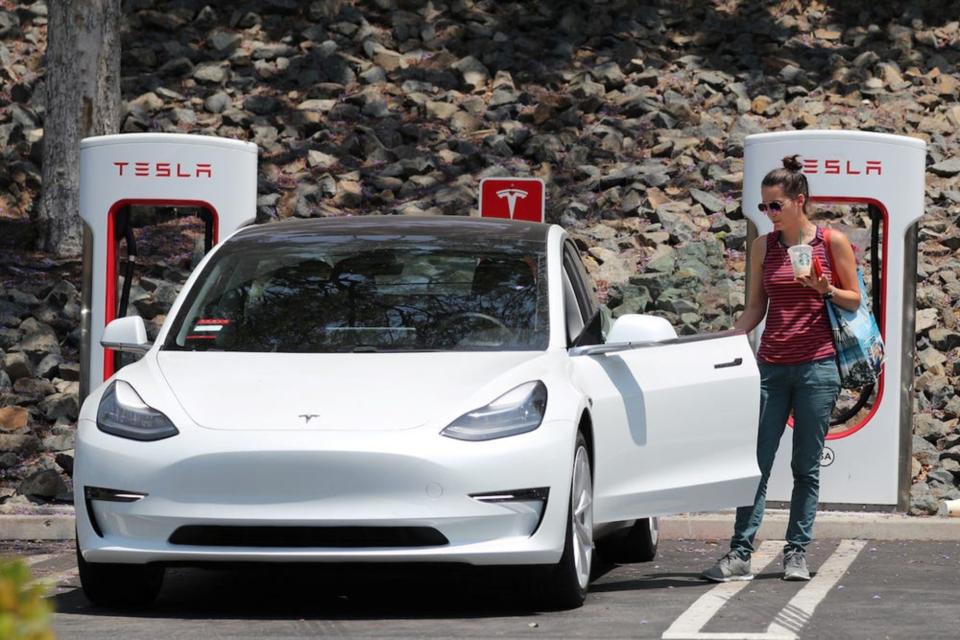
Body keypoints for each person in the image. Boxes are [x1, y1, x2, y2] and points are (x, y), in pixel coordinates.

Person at [702, 155, 861, 582]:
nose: (769, 214)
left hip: (817, 367)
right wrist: (729, 338)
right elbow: (757, 306)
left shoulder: (831, 241)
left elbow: (855, 300)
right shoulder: (763, 247)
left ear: (798, 202)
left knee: (805, 467)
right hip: (771, 366)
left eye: (775, 206)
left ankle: (797, 552)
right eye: (763, 207)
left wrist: (825, 288)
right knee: (756, 462)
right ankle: (739, 552)